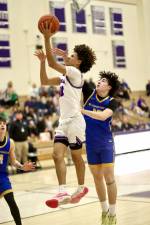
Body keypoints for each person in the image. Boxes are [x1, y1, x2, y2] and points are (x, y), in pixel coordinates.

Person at [34, 22, 96, 208]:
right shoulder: (65, 76)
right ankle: (62, 190)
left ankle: (81, 187)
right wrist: (43, 62)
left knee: (77, 157)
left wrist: (46, 38)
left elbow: (55, 63)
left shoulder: (76, 73)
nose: (68, 56)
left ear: (78, 62)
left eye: (72, 56)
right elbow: (44, 81)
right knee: (56, 155)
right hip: (63, 122)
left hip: (76, 121)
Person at [81, 71, 120, 225]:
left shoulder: (112, 101)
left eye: (103, 81)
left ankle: (113, 214)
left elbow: (103, 116)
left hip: (105, 144)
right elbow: (75, 76)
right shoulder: (89, 94)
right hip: (90, 144)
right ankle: (104, 212)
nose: (99, 82)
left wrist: (82, 111)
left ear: (109, 86)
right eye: (99, 80)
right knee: (97, 179)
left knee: (109, 179)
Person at [0, 115, 35, 225]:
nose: (2, 125)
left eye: (4, 124)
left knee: (11, 201)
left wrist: (22, 167)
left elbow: (13, 161)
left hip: (2, 177)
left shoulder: (10, 143)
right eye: (0, 123)